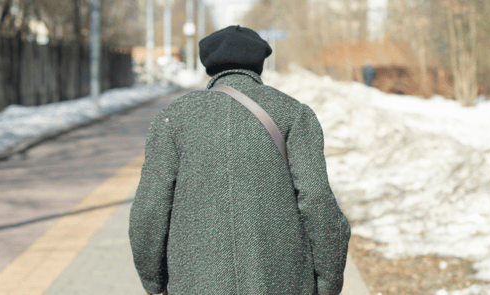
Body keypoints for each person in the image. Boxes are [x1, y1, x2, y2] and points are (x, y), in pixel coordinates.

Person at [129, 25, 351, 295]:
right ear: (260, 64)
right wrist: (328, 282)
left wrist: (153, 282)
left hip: (195, 283)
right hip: (282, 281)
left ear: (209, 67)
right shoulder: (293, 114)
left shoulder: (173, 118)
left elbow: (149, 209)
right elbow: (318, 201)